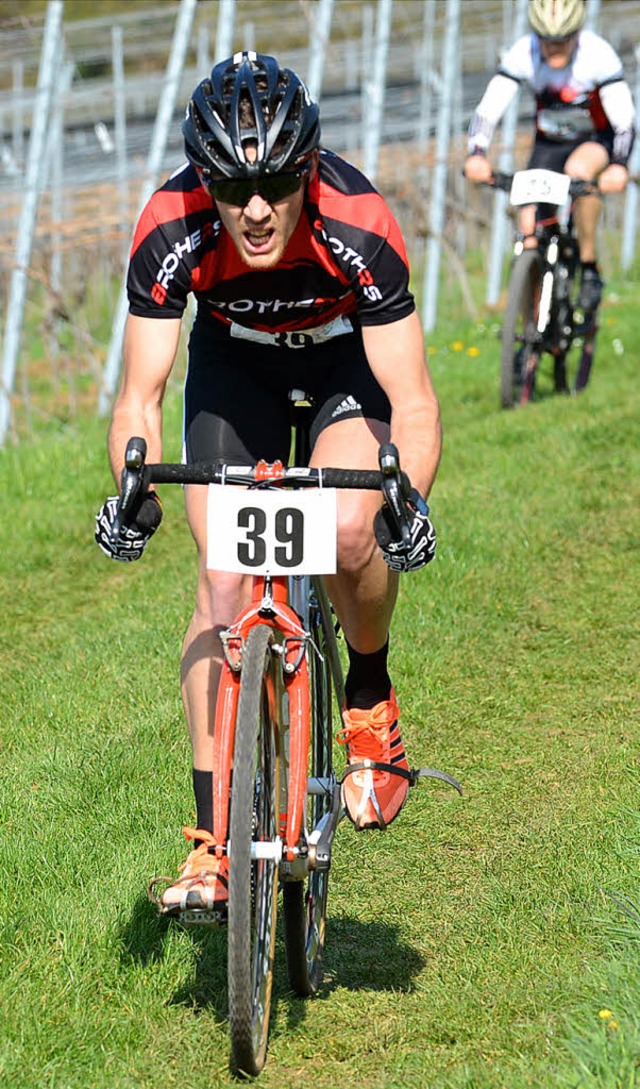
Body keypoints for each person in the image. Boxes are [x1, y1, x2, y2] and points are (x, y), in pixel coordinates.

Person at [95, 51, 441, 913]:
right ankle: (214, 839)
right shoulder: (170, 222)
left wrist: (412, 498)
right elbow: (139, 396)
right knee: (219, 583)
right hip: (231, 370)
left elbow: (414, 399)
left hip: (342, 367)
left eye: (279, 185)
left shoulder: (358, 220)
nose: (255, 210)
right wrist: (132, 489)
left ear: (308, 172)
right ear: (203, 180)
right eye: (232, 186)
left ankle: (367, 692)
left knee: (354, 528)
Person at [464, 0, 635, 311]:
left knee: (579, 170)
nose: (554, 48)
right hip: (549, 144)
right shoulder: (523, 52)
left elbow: (624, 119)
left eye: (562, 40)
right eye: (546, 40)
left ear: (577, 34)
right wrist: (476, 153)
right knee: (528, 224)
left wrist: (619, 165)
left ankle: (588, 263)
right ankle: (531, 321)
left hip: (595, 140)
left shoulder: (598, 55)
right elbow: (489, 108)